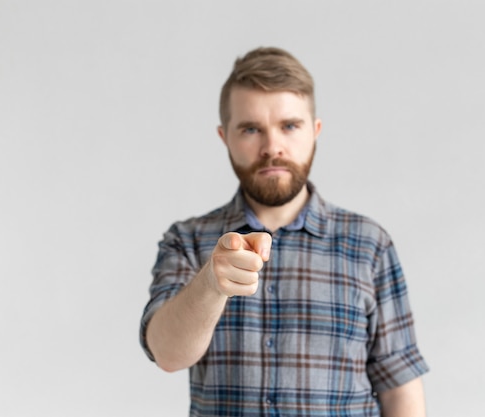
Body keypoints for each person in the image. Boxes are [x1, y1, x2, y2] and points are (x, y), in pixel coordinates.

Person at [140, 46, 429, 416]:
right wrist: (212, 283)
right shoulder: (187, 241)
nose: (272, 147)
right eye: (250, 129)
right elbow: (166, 353)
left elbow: (400, 388)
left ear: (315, 131)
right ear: (224, 136)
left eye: (289, 126)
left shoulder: (369, 244)